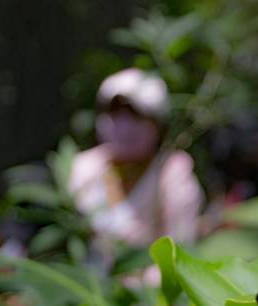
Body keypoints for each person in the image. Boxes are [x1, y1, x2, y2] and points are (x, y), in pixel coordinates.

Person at [68, 68, 202, 272]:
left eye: (136, 116)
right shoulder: (84, 166)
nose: (124, 127)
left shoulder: (173, 173)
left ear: (158, 126)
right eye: (115, 113)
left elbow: (179, 253)